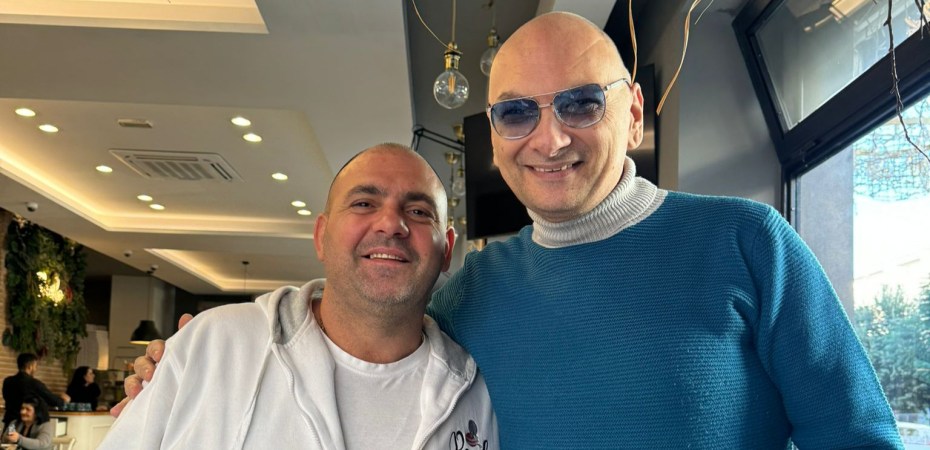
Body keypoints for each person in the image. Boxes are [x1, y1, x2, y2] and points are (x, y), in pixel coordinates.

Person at [121, 12, 903, 448]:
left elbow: (859, 439)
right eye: (517, 112)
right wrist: (186, 363)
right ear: (494, 137)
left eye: (581, 103)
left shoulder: (748, 243)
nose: (549, 138)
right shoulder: (468, 295)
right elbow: (367, 315)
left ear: (633, 112)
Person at [99, 144, 497, 449]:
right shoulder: (214, 344)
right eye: (364, 203)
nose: (391, 223)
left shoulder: (475, 392)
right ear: (321, 236)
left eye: (419, 212)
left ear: (447, 249)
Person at [2, 354, 67, 427]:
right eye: (35, 366)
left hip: (10, 422)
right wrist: (63, 400)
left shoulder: (7, 381)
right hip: (26, 424)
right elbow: (52, 400)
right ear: (30, 366)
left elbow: (6, 397)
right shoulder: (34, 383)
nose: (36, 369)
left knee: (10, 434)